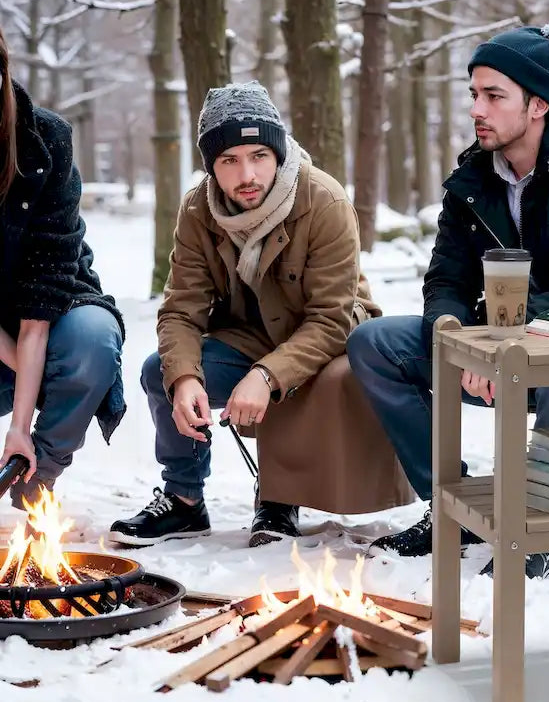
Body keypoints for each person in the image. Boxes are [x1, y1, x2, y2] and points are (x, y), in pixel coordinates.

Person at [347, 23, 549, 579]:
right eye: (474, 94)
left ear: (538, 104)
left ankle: (540, 523)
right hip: (497, 344)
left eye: (494, 96)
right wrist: (458, 337)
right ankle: (447, 503)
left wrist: (498, 349)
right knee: (375, 343)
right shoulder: (472, 178)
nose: (478, 108)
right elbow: (445, 279)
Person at [109, 80, 382, 547]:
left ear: (277, 154)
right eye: (228, 161)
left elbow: (331, 318)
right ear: (212, 167)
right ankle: (184, 501)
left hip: (331, 332)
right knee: (162, 371)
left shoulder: (324, 201)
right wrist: (184, 378)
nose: (247, 174)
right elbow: (180, 309)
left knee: (298, 379)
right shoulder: (198, 210)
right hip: (248, 332)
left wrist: (266, 376)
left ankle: (279, 498)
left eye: (258, 155)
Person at [0, 27, 125, 510]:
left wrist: (19, 429)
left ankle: (35, 482)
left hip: (55, 307)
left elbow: (40, 311)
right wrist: (33, 374)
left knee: (91, 342)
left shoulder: (46, 140)